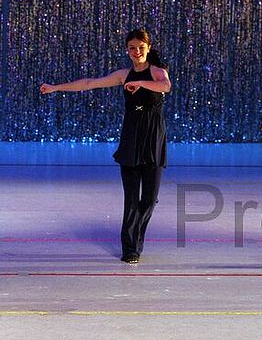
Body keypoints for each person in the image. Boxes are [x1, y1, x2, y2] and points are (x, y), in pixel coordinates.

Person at [40, 28, 171, 264]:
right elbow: (90, 83)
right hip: (131, 138)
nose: (136, 51)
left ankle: (136, 237)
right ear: (127, 50)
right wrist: (56, 87)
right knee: (131, 198)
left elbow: (165, 86)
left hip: (153, 138)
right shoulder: (123, 74)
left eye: (141, 47)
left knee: (149, 199)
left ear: (148, 48)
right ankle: (130, 248)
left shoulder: (157, 72)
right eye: (132, 47)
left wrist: (141, 82)